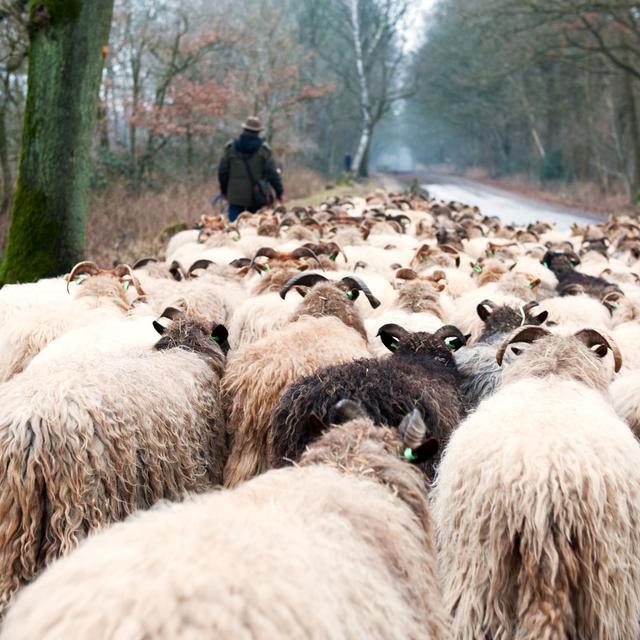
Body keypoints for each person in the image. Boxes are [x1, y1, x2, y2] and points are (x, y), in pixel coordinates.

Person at [218, 116, 284, 222]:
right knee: (256, 226)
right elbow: (272, 173)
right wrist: (279, 192)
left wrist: (224, 191)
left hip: (235, 196)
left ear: (244, 129)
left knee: (234, 226)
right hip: (257, 197)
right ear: (258, 132)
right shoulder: (264, 150)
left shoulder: (231, 148)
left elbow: (222, 172)